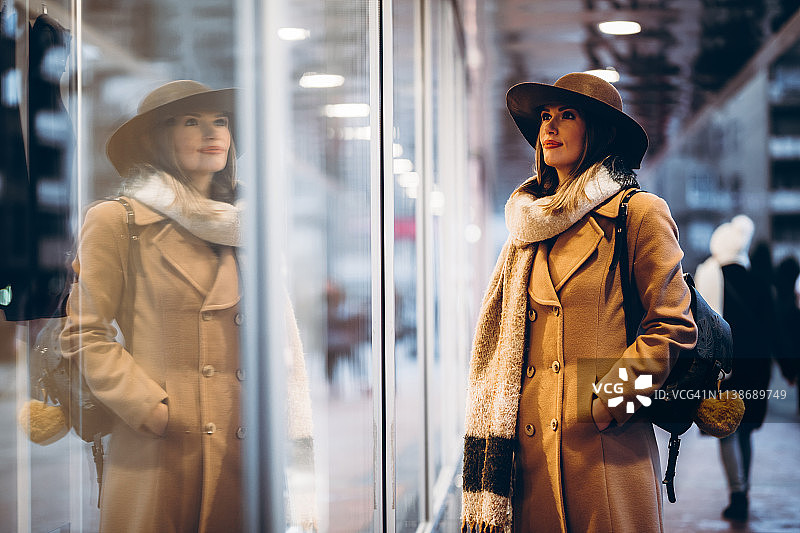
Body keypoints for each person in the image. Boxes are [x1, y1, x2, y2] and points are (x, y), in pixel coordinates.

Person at [461, 72, 697, 532]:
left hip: (600, 454)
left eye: (567, 115)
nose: (548, 126)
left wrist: (604, 402)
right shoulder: (528, 225)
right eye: (545, 117)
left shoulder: (637, 213)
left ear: (599, 132)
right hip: (525, 457)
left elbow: (672, 327)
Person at [61, 80, 245, 532]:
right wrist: (151, 410)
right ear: (156, 139)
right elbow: (83, 334)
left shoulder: (244, 226)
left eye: (219, 121)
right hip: (163, 446)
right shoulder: (119, 219)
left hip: (242, 441)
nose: (212, 133)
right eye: (191, 122)